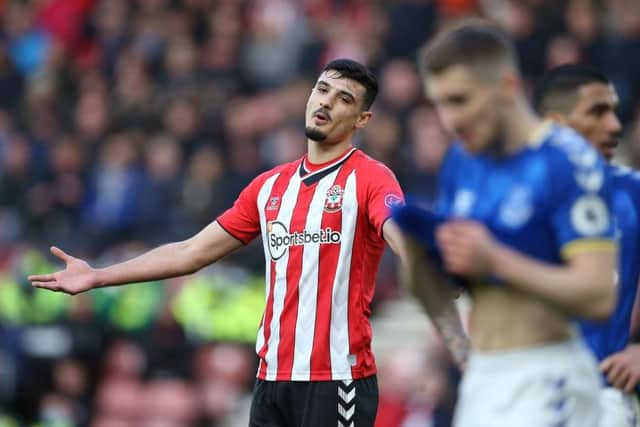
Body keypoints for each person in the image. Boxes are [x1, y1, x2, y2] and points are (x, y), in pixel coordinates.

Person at [28, 59, 410, 427]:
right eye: (322, 89)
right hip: (271, 380)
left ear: (363, 119)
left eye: (344, 98)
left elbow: (399, 229)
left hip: (337, 380)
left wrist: (425, 264)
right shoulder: (269, 188)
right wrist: (98, 277)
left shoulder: (371, 178)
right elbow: (191, 251)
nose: (326, 101)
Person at [397, 21, 618, 426]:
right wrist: (418, 262)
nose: (449, 120)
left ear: (507, 86)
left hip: (549, 376)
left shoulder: (567, 161)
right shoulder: (462, 163)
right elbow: (447, 292)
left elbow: (599, 294)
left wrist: (496, 261)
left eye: (460, 100)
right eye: (440, 103)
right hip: (484, 378)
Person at [534, 63, 640, 427]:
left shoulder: (633, 192)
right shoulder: (512, 196)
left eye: (615, 111)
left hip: (601, 399)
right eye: (598, 112)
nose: (615, 126)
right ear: (556, 124)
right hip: (526, 397)